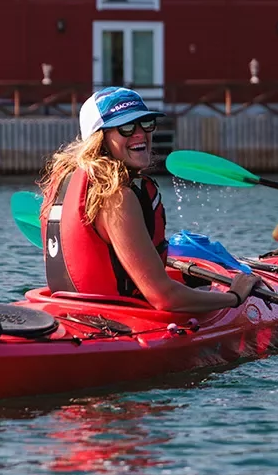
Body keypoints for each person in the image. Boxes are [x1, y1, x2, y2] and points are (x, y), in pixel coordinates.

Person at [40, 87, 260, 312]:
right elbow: (164, 298)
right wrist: (235, 296)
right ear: (100, 139)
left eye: (146, 124)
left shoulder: (62, 184)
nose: (139, 134)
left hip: (66, 310)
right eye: (126, 127)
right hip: (116, 320)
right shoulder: (116, 196)